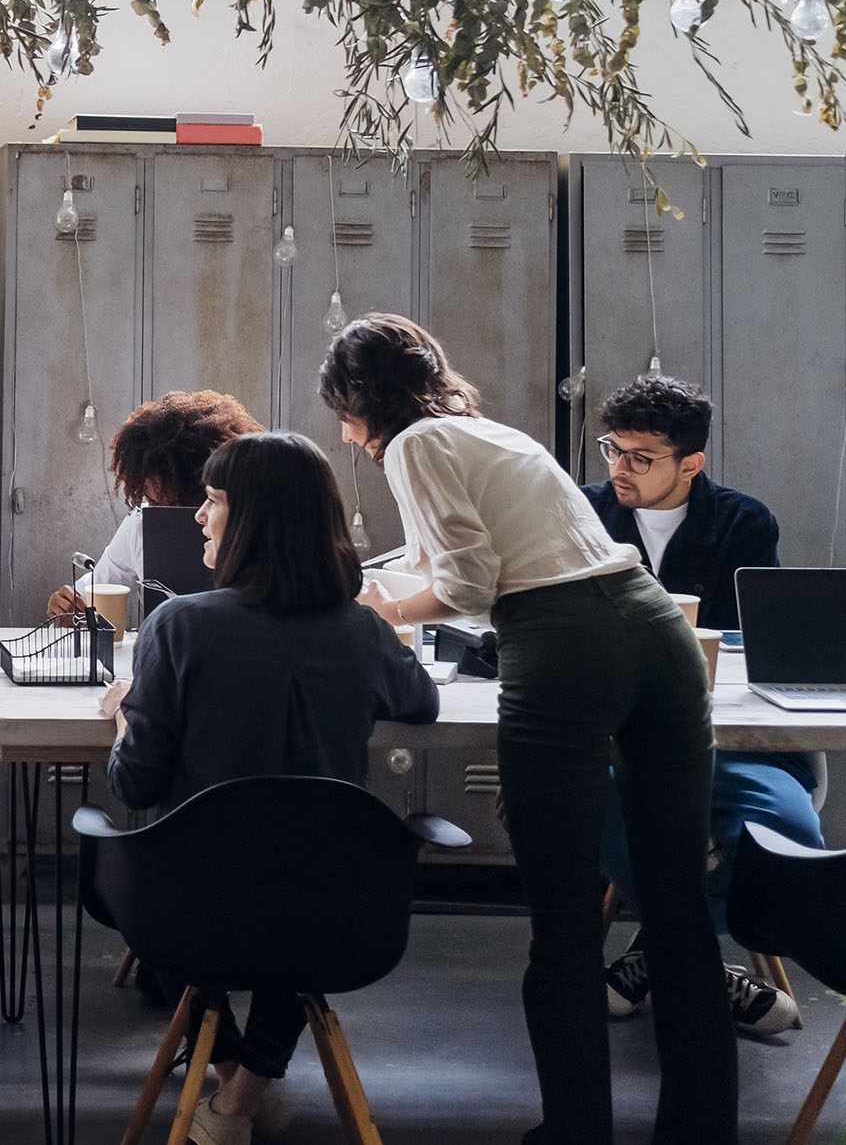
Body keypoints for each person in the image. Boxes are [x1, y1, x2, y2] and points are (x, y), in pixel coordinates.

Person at [321, 315, 734, 1145]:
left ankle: (576, 1134)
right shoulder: (487, 434)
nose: (343, 433)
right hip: (655, 629)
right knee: (679, 907)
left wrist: (376, 616)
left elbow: (469, 586)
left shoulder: (412, 447)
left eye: (343, 411)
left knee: (566, 918)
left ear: (363, 400)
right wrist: (374, 580)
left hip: (562, 644)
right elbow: (463, 553)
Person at [104, 431, 440, 1145]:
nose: (199, 516)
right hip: (339, 911)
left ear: (255, 518)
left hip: (188, 910)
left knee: (169, 886)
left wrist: (129, 712)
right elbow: (421, 702)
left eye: (214, 500)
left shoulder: (179, 626)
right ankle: (245, 1091)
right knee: (296, 896)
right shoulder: (361, 630)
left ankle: (233, 1091)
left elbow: (136, 782)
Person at [580, 374, 811, 1037]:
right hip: (618, 735)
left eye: (641, 457)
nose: (620, 468)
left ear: (691, 463)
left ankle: (660, 950)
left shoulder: (742, 522)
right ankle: (700, 962)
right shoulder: (582, 514)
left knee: (789, 829)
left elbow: (753, 643)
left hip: (725, 732)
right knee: (603, 801)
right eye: (613, 450)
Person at [54, 390, 265, 618]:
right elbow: (102, 584)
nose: (166, 515)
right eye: (154, 501)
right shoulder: (141, 524)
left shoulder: (259, 529)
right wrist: (72, 602)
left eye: (181, 503)